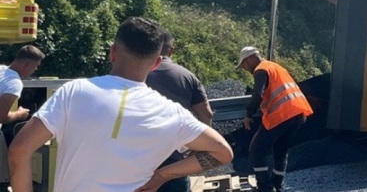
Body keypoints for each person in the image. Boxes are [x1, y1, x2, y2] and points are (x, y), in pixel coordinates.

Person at [7, 17, 233, 192]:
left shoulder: (74, 92)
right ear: (155, 63)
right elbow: (222, 153)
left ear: (112, 52)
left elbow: (19, 150)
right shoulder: (172, 114)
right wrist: (163, 175)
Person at [146, 28, 214, 192]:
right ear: (172, 50)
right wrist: (195, 151)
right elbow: (206, 115)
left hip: (139, 161)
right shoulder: (187, 76)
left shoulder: (135, 74)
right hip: (175, 162)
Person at [237, 46, 313, 192]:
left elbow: (257, 94)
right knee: (281, 150)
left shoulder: (261, 70)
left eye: (244, 65)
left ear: (250, 58)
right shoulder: (275, 67)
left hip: (281, 115)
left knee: (256, 150)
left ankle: (265, 188)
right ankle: (278, 185)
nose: (245, 69)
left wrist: (248, 114)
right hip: (297, 113)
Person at [0, 45, 45, 135]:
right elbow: (1, 117)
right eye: (35, 66)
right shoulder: (14, 83)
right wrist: (19, 114)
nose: (35, 69)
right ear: (26, 65)